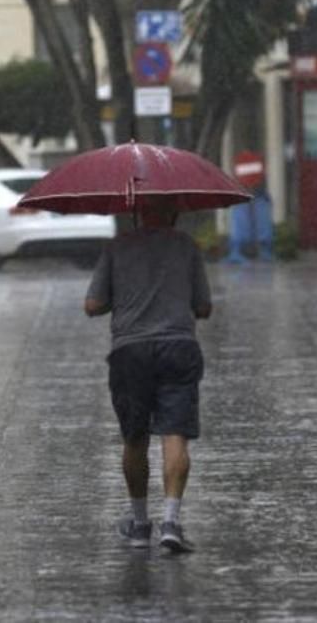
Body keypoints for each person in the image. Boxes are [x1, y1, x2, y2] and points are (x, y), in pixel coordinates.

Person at [84, 199, 212, 553]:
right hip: (178, 348)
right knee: (175, 434)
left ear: (137, 214)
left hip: (130, 353)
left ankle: (140, 524)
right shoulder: (187, 247)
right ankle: (171, 522)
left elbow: (92, 305)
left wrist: (124, 298)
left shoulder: (116, 248)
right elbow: (204, 307)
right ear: (175, 213)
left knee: (135, 438)